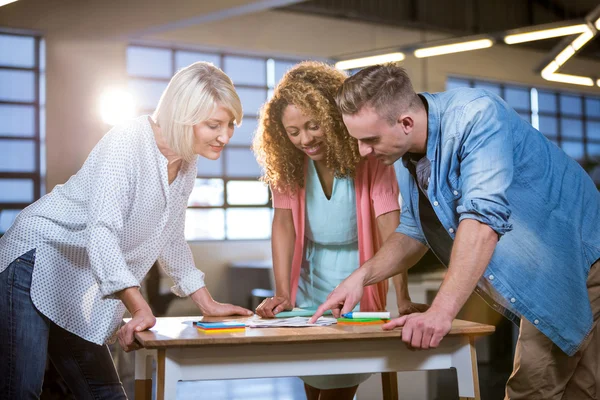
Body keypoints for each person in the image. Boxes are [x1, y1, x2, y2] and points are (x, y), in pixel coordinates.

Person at [309, 63, 600, 399]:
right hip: (555, 263)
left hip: (578, 257)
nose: (363, 151)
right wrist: (361, 277)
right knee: (582, 388)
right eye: (357, 140)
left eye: (370, 140)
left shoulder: (477, 117)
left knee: (533, 387)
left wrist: (440, 313)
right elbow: (412, 231)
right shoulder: (403, 154)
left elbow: (483, 220)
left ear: (406, 122)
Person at [0, 62, 253, 399]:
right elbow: (101, 233)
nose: (225, 136)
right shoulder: (127, 142)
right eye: (213, 125)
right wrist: (138, 307)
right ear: (182, 116)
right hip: (34, 258)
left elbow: (172, 238)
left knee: (106, 392)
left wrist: (206, 302)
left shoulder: (187, 162)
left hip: (76, 273)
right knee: (22, 391)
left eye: (230, 124)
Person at [252, 61, 426, 400]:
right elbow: (283, 225)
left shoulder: (369, 154)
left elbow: (390, 222)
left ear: (332, 118)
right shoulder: (288, 163)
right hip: (309, 280)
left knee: (338, 385)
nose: (305, 139)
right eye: (293, 131)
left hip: (358, 278)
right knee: (314, 381)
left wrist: (401, 296)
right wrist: (283, 293)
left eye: (313, 125)